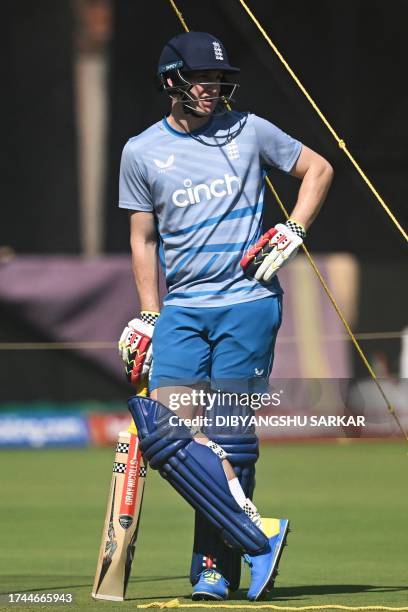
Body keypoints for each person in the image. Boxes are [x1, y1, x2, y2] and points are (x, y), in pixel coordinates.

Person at [118, 31, 333, 602]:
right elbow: (142, 240)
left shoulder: (250, 130)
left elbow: (319, 169)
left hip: (249, 306)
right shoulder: (141, 151)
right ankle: (259, 532)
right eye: (200, 80)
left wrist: (293, 228)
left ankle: (214, 569)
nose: (212, 89)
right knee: (167, 436)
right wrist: (148, 313)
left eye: (218, 79)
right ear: (171, 82)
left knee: (231, 440)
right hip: (183, 311)